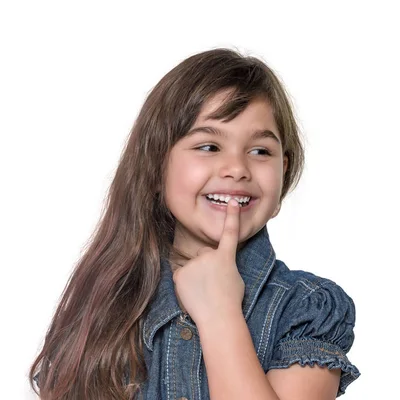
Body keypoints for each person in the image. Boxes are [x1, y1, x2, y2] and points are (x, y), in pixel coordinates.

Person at [29, 48, 360, 399]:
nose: (237, 168)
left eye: (260, 151)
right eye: (208, 146)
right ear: (157, 168)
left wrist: (220, 314)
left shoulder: (308, 309)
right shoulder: (103, 309)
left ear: (284, 176)